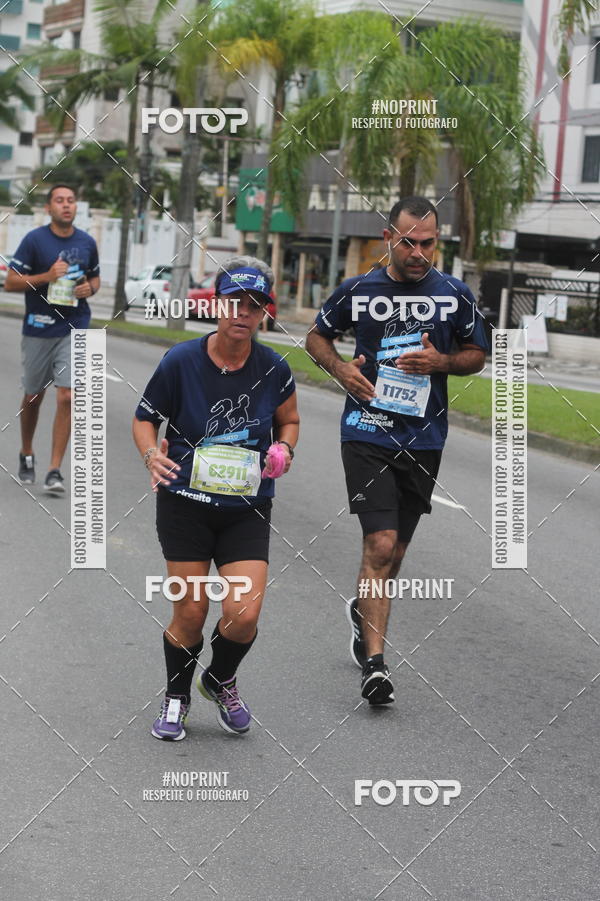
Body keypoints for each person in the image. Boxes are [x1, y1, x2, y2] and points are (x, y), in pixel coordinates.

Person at [305, 195, 488, 706]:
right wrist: (341, 369)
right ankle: (376, 665)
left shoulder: (454, 294)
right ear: (389, 237)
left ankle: (364, 612)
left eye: (428, 243)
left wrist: (442, 362)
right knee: (380, 544)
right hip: (366, 432)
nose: (419, 252)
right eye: (409, 241)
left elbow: (476, 356)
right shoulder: (359, 290)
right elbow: (316, 337)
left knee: (397, 551)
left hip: (424, 438)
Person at [133, 256, 299, 741]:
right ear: (217, 305)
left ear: (264, 312)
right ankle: (176, 697)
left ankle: (220, 676)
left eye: (254, 304)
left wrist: (284, 448)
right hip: (185, 503)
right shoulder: (181, 360)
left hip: (246, 508)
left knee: (244, 614)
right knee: (191, 611)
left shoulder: (273, 367)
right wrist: (150, 455)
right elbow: (145, 417)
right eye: (234, 302)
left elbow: (289, 420)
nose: (242, 312)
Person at [5, 184, 100, 493]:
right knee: (33, 396)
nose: (66, 205)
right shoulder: (34, 240)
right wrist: (47, 277)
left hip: (75, 325)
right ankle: (27, 451)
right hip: (38, 326)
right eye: (59, 200)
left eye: (71, 200)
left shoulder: (87, 242)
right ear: (49, 208)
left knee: (68, 396)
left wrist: (91, 289)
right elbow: (10, 283)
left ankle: (55, 469)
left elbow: (94, 276)